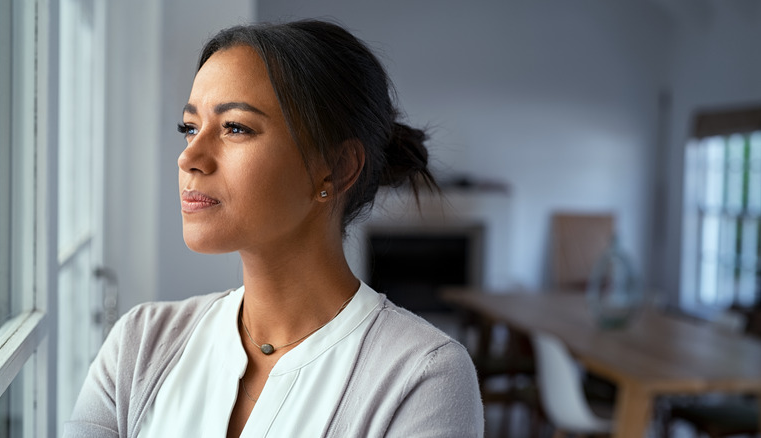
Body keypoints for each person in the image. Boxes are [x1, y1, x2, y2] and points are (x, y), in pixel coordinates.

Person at [65, 19, 483, 438]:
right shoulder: (139, 346)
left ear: (335, 169)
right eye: (190, 128)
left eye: (235, 128)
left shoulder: (424, 379)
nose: (189, 156)